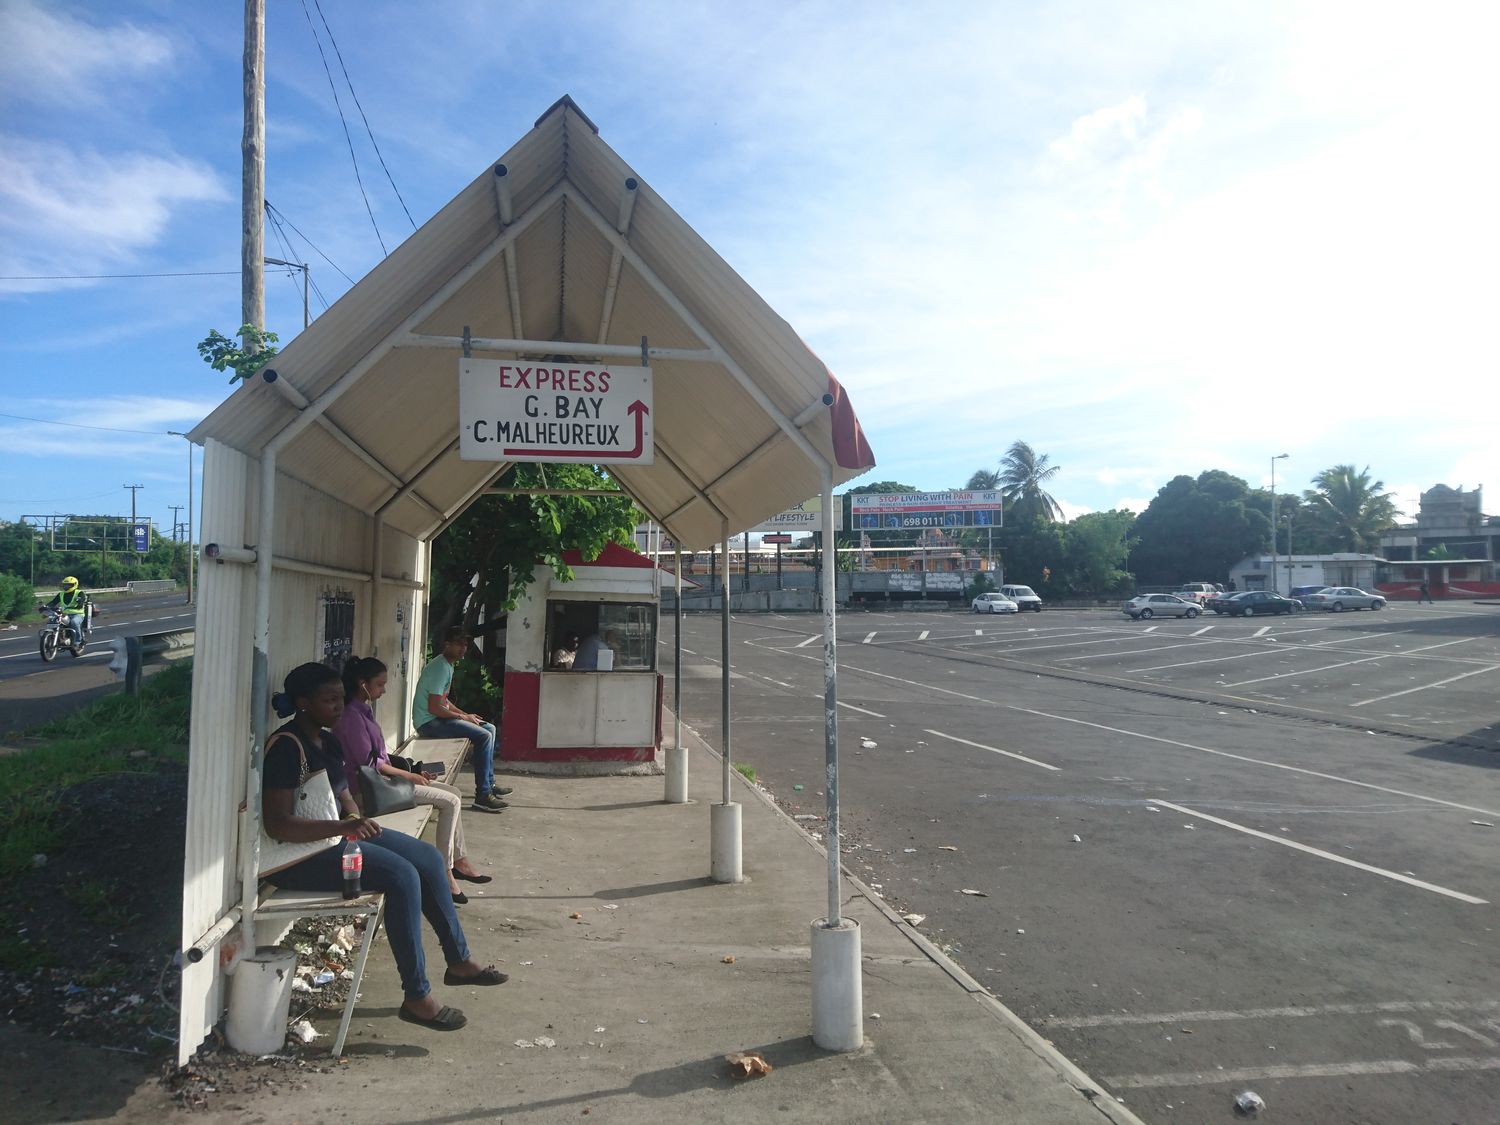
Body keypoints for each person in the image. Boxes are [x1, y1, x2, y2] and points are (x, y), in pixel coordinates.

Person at [262, 662, 507, 1032]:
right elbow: (277, 824)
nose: (339, 708)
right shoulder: (286, 746)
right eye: (329, 701)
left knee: (425, 856)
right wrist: (344, 826)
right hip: (298, 857)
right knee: (402, 876)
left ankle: (458, 961)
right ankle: (417, 996)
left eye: (341, 699)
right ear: (303, 703)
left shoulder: (326, 740)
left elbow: (343, 793)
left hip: (331, 838)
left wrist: (354, 818)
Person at [332, 656, 492, 904]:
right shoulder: (352, 717)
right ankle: (445, 871)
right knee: (449, 802)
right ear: (363, 684)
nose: (384, 690)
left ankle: (458, 860)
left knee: (454, 794)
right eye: (380, 685)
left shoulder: (363, 710)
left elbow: (382, 756)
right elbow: (371, 764)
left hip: (385, 781)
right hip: (369, 790)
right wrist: (410, 776)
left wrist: (414, 771)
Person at [413, 627, 511, 813]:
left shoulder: (447, 665)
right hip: (428, 723)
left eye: (465, 644)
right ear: (446, 644)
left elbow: (443, 701)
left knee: (489, 728)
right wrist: (462, 717)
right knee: (483, 736)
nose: (463, 648)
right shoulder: (440, 667)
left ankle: (489, 783)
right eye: (458, 644)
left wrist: (467, 715)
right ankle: (482, 795)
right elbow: (435, 708)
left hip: (437, 719)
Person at [47, 576, 92, 645]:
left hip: (77, 614)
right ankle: (58, 637)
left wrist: (79, 604)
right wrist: (46, 606)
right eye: (65, 585)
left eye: (69, 585)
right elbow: (53, 602)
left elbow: (81, 601)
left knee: (74, 622)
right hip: (64, 614)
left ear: (74, 585)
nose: (66, 587)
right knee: (54, 620)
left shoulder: (79, 593)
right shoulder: (61, 594)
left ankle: (78, 640)